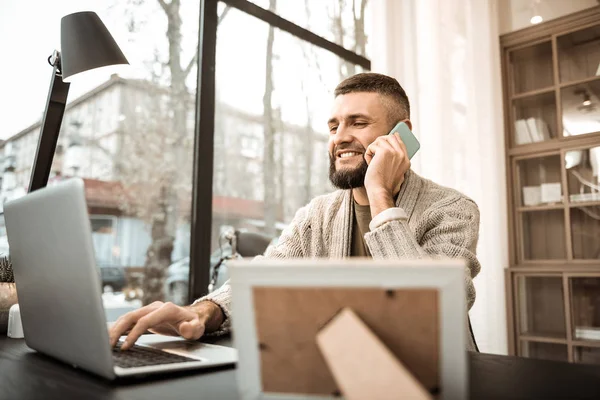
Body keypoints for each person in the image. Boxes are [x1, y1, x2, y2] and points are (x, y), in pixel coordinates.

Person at [109, 72, 481, 351]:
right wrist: (203, 313)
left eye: (358, 123)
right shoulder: (316, 215)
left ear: (401, 134)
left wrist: (380, 193)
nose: (340, 137)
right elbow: (263, 279)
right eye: (334, 126)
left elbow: (434, 313)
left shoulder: (452, 210)